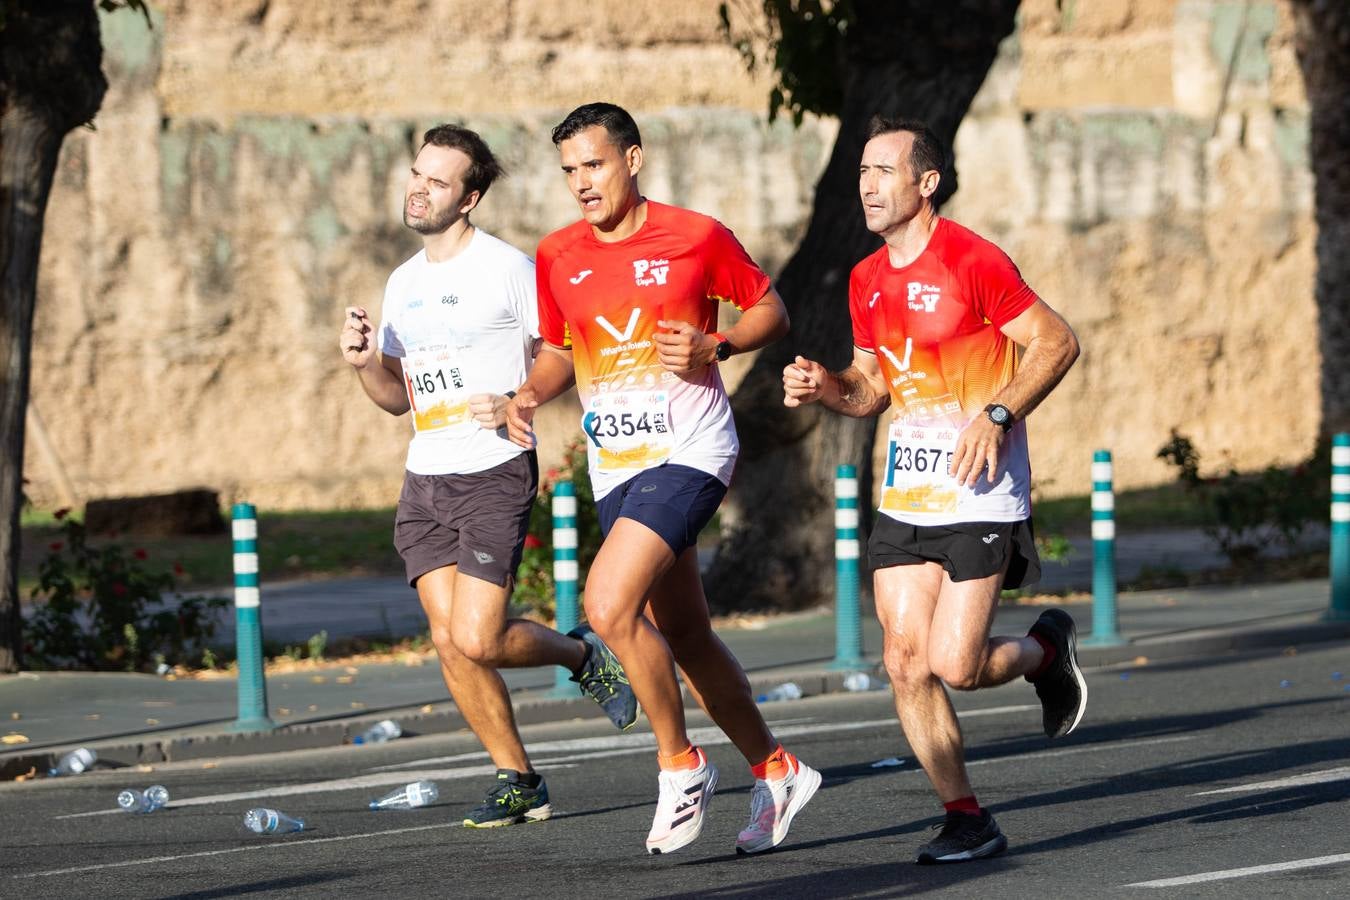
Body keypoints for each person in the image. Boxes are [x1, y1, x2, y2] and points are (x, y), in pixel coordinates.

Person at [504, 102, 820, 856]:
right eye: (570, 170)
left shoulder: (695, 236)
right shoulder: (556, 254)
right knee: (684, 633)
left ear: (632, 159)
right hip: (617, 463)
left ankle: (681, 766)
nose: (583, 182)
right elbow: (562, 351)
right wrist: (525, 393)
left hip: (692, 449)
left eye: (595, 164)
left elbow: (770, 309)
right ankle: (780, 769)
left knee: (607, 607)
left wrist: (720, 342)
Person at [781, 116, 1085, 864]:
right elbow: (872, 387)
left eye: (883, 171)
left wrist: (999, 410)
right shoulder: (864, 279)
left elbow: (1057, 341)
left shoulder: (973, 260)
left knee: (958, 664)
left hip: (980, 493)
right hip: (908, 495)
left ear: (927, 182)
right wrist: (827, 386)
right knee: (902, 659)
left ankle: (1045, 654)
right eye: (861, 173)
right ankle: (966, 816)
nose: (868, 186)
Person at [339, 123, 637, 829]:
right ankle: (518, 778)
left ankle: (579, 653)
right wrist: (361, 363)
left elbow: (558, 355)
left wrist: (518, 398)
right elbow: (396, 399)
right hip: (426, 477)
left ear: (469, 197)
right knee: (449, 641)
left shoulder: (506, 267)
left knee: (477, 635)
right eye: (416, 173)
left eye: (437, 180)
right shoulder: (403, 283)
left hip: (493, 468)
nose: (418, 187)